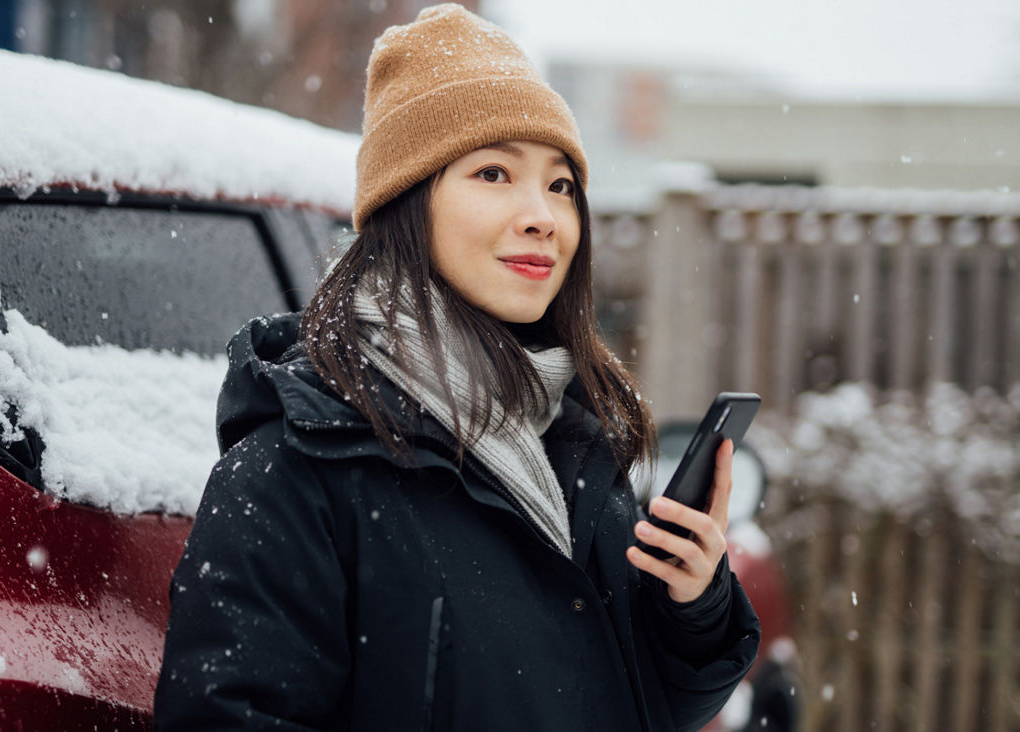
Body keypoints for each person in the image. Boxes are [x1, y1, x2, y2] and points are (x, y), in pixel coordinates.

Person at [154, 4, 760, 730]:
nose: (542, 214)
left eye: (561, 184)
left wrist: (694, 606)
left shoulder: (572, 444)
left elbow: (644, 705)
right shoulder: (293, 471)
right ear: (409, 204)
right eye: (495, 173)